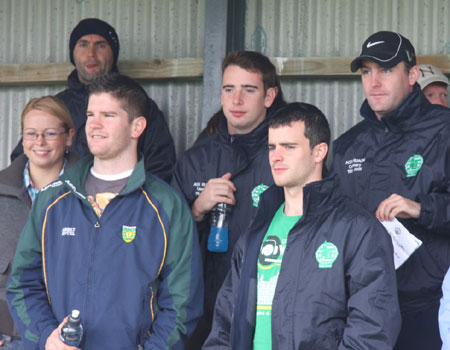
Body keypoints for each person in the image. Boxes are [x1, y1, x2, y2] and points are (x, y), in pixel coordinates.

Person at [7, 74, 203, 350]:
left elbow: (182, 304)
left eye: (108, 115)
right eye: (90, 114)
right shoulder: (53, 199)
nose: (93, 125)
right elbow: (23, 284)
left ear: (137, 127)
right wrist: (45, 337)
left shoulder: (166, 205)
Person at [204, 102, 401, 349]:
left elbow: (372, 329)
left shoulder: (358, 230)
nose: (276, 156)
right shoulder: (258, 228)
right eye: (272, 147)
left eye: (289, 147)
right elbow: (225, 319)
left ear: (318, 152)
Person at [331, 31, 450, 350]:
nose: (374, 81)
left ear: (412, 75)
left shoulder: (445, 130)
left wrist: (420, 208)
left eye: (385, 70)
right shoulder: (346, 146)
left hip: (431, 305)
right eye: (367, 71)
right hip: (362, 307)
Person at [171, 50, 286, 349]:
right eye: (228, 89)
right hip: (204, 310)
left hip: (269, 306)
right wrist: (196, 210)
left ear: (269, 96)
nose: (236, 100)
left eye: (249, 90)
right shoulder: (195, 159)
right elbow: (164, 243)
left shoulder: (286, 155)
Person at [10, 18, 176, 182]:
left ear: (113, 53)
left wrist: (129, 202)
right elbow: (23, 160)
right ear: (73, 54)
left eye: (101, 45)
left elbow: (161, 166)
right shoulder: (54, 108)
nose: (91, 53)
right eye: (83, 44)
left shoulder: (140, 106)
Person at [0, 96, 78, 349]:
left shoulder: (91, 191)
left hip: (73, 336)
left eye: (50, 133)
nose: (39, 142)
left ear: (69, 136)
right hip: (10, 337)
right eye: (31, 133)